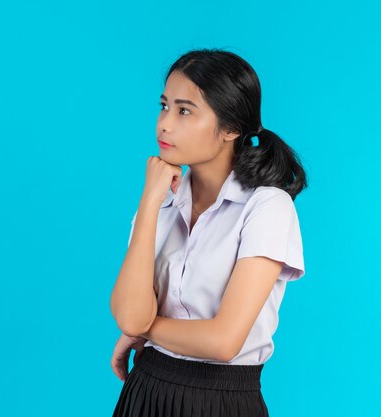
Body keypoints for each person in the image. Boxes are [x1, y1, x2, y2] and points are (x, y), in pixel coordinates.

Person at [109, 48, 307, 417]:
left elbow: (223, 341)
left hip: (222, 400)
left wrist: (144, 330)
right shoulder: (159, 204)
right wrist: (150, 201)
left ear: (231, 128)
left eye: (184, 111)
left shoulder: (267, 208)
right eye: (164, 106)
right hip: (145, 391)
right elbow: (126, 313)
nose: (164, 124)